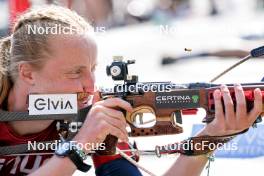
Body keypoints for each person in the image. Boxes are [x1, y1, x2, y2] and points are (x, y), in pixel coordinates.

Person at [0, 5, 262, 176]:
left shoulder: (94, 112)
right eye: (74, 72)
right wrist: (78, 148)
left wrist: (210, 138)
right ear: (27, 73)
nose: (90, 86)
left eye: (92, 69)